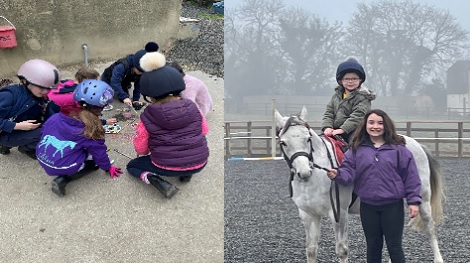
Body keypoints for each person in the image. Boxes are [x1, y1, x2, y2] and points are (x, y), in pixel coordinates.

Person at [326, 109, 421, 263]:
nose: (375, 126)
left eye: (380, 123)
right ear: (365, 125)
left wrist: (414, 201)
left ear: (386, 126)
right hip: (368, 207)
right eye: (371, 122)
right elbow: (348, 173)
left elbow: (411, 177)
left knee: (394, 246)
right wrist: (337, 175)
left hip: (392, 207)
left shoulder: (399, 150)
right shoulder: (356, 150)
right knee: (373, 246)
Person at [126, 51, 209, 199]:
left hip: (165, 166)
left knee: (132, 166)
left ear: (150, 96)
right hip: (200, 163)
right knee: (198, 140)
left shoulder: (147, 116)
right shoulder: (193, 106)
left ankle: (155, 180)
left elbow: (141, 148)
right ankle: (187, 174)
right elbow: (204, 130)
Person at [36, 79, 123, 197]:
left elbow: (43, 133)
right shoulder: (90, 130)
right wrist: (108, 168)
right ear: (100, 108)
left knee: (78, 145)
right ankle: (63, 179)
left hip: (41, 156)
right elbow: (99, 154)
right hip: (59, 165)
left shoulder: (56, 117)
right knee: (93, 163)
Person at [0, 59, 61, 159]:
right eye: (41, 87)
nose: (45, 91)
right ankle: (26, 148)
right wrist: (17, 126)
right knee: (47, 133)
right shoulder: (8, 96)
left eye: (48, 87)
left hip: (24, 120)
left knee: (56, 115)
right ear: (25, 81)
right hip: (6, 133)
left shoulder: (38, 95)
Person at [321, 57, 376, 143]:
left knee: (355, 147)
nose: (350, 81)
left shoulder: (363, 97)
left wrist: (342, 129)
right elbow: (329, 113)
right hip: (334, 130)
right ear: (341, 81)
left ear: (360, 80)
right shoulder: (336, 97)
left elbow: (358, 116)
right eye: (346, 79)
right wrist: (327, 127)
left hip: (354, 130)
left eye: (354, 79)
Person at [48, 66, 117, 125]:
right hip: (51, 122)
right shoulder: (77, 97)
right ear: (86, 79)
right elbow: (84, 119)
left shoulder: (67, 82)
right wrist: (104, 122)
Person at [101, 42, 159, 110]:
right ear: (134, 65)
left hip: (125, 78)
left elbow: (139, 84)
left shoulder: (141, 71)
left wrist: (136, 99)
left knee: (125, 95)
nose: (141, 74)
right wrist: (124, 97)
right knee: (110, 95)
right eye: (140, 71)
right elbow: (115, 82)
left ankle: (126, 84)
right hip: (109, 77)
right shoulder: (121, 66)